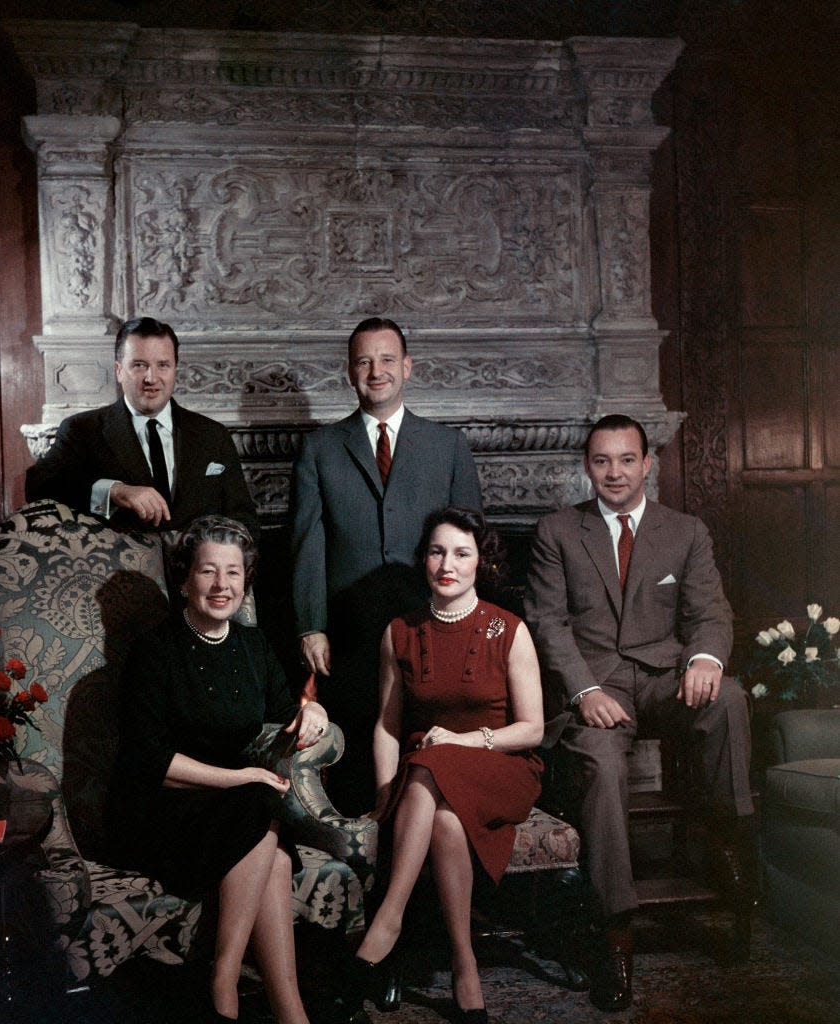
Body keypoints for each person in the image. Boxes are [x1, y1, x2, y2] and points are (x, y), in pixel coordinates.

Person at [522, 414, 754, 1012]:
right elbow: (548, 623)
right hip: (599, 687)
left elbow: (710, 612)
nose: (615, 472)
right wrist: (582, 692)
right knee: (600, 764)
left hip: (665, 679)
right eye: (602, 461)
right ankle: (615, 931)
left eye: (627, 459)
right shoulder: (557, 531)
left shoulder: (686, 531)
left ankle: (728, 837)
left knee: (728, 696)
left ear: (648, 464)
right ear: (586, 467)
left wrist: (704, 658)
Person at [106, 515, 328, 1023]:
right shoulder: (155, 651)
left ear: (246, 581)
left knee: (272, 854)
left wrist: (313, 710)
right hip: (160, 810)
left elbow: (286, 713)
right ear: (184, 578)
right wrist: (241, 778)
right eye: (208, 571)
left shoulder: (253, 646)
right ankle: (225, 980)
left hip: (238, 809)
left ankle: (286, 1011)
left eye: (233, 573)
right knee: (262, 810)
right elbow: (149, 763)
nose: (222, 585)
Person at [343, 505, 545, 1024]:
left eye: (461, 552)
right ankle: (464, 964)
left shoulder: (510, 629)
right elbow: (388, 724)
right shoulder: (400, 631)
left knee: (433, 759)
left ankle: (388, 919)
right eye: (436, 551)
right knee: (446, 816)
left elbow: (532, 730)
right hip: (423, 779)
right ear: (424, 560)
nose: (447, 563)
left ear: (483, 561)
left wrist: (465, 741)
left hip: (501, 765)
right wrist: (386, 791)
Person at [291, 317, 483, 813]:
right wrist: (312, 625)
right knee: (359, 760)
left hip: (432, 624)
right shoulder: (319, 448)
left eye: (387, 360)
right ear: (350, 371)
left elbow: (470, 547)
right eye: (364, 361)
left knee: (430, 756)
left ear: (407, 368)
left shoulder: (449, 447)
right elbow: (307, 545)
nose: (376, 371)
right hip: (351, 631)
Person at [25, 316, 258, 536]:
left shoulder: (212, 435)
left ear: (175, 370)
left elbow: (243, 519)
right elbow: (38, 486)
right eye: (139, 365)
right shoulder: (82, 430)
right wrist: (114, 491)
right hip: (121, 574)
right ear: (118, 371)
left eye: (163, 365)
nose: (151, 378)